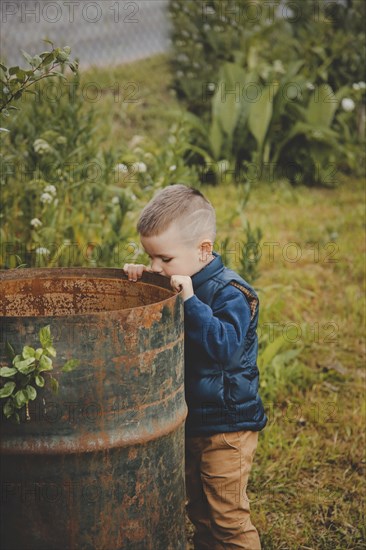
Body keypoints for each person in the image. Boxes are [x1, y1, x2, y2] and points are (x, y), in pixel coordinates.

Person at [123, 184, 267, 549]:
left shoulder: (232, 293)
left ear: (204, 249)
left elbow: (225, 348)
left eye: (164, 259)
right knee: (200, 511)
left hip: (228, 426)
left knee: (228, 517)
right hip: (191, 420)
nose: (158, 266)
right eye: (150, 257)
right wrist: (143, 281)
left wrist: (189, 300)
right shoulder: (177, 281)